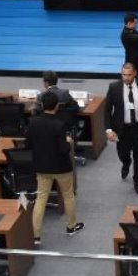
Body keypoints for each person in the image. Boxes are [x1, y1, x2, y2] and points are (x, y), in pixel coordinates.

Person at [28, 91, 83, 245]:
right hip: (61, 168)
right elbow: (63, 150)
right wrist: (69, 142)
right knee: (68, 196)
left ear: (42, 105)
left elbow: (28, 144)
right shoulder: (59, 125)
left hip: (42, 168)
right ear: (57, 106)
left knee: (41, 199)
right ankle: (71, 226)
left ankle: (36, 235)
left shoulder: (33, 122)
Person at [105, 63, 138, 195]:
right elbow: (107, 110)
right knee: (123, 153)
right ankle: (126, 163)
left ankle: (137, 181)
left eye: (128, 75)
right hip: (121, 128)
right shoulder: (114, 87)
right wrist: (108, 130)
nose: (126, 78)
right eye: (123, 75)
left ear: (134, 74)